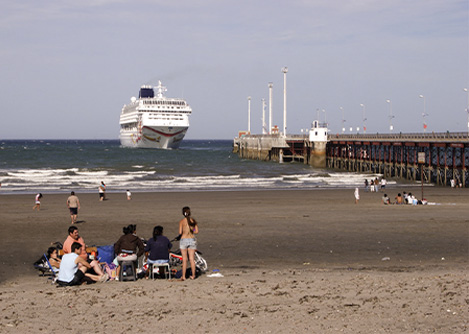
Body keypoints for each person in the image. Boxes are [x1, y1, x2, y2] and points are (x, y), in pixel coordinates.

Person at [178, 206, 199, 280]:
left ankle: (183, 276)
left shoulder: (182, 221)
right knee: (192, 259)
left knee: (184, 260)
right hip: (191, 239)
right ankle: (193, 275)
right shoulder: (193, 221)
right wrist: (191, 228)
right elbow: (196, 231)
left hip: (184, 239)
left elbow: (180, 232)